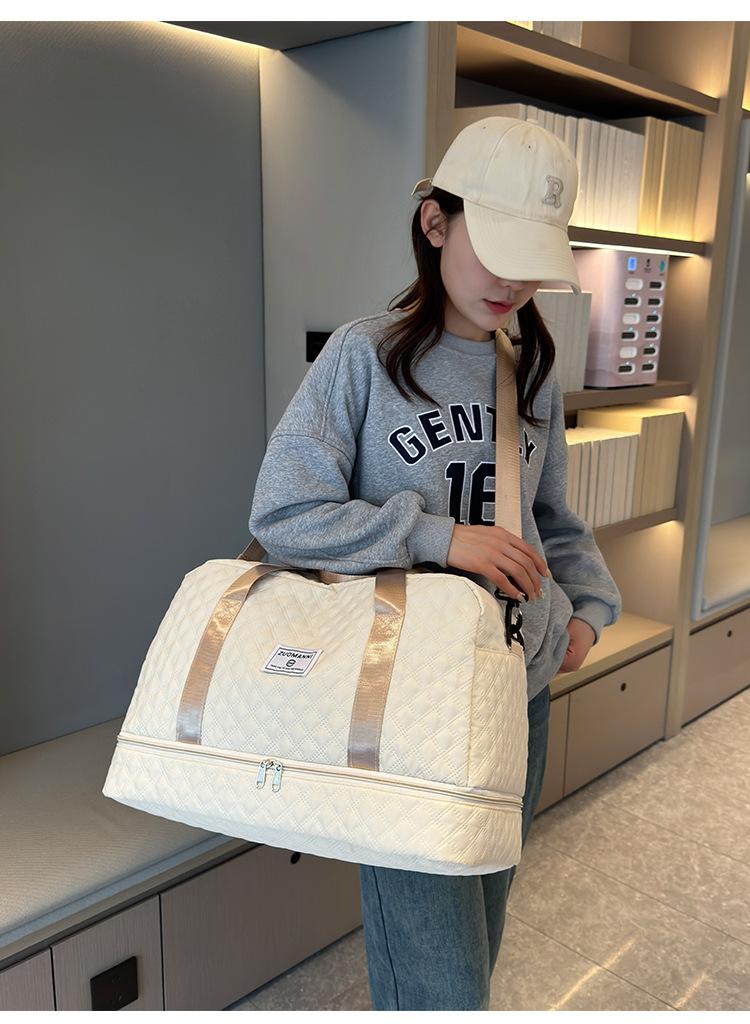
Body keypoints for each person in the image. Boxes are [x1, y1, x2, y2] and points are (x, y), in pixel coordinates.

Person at [248, 116, 622, 1011]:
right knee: (442, 986)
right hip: (405, 706)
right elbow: (284, 513)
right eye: (496, 249)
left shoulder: (532, 370)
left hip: (517, 692)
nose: (512, 281)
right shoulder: (363, 357)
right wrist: (438, 537)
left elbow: (553, 520)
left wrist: (585, 614)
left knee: (477, 945)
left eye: (532, 259)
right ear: (435, 223)